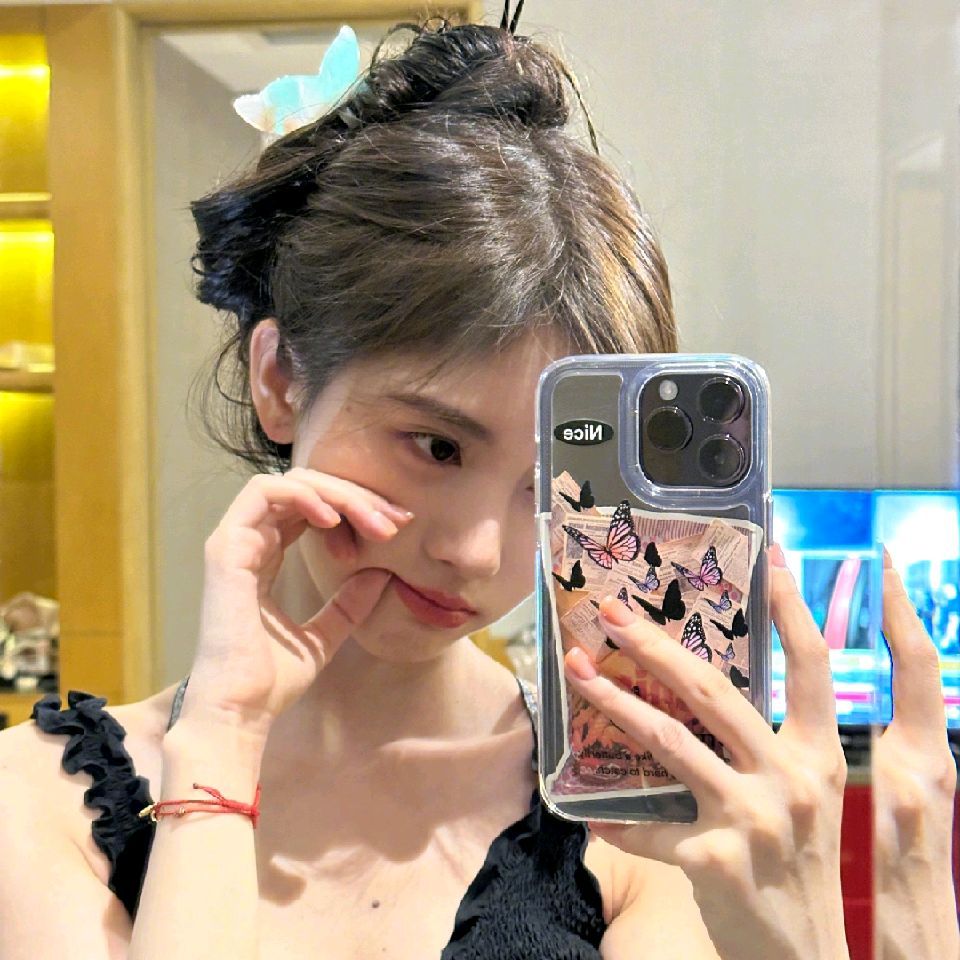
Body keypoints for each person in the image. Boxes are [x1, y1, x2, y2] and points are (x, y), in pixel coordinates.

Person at [0, 8, 954, 960]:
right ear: (281, 379)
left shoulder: (627, 826)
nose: (477, 553)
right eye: (437, 446)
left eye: (550, 490)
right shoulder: (41, 804)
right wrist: (218, 744)